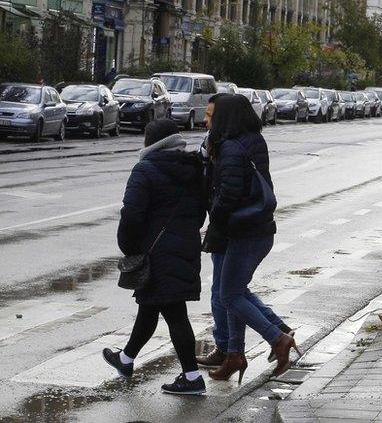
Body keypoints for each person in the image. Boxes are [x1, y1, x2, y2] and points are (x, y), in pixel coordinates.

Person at [102, 119, 208, 395]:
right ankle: (126, 359)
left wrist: (129, 248)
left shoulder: (145, 170)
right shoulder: (194, 168)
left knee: (174, 312)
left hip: (155, 251)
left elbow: (132, 216)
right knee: (150, 305)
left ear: (150, 143)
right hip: (184, 248)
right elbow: (199, 214)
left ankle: (192, 377)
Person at [196, 93, 294, 370]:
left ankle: (277, 338)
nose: (205, 121)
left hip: (242, 231)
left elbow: (227, 194)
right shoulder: (249, 140)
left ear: (224, 118)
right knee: (233, 292)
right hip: (252, 227)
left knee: (229, 295)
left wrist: (213, 221)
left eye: (210, 116)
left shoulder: (230, 148)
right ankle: (235, 354)